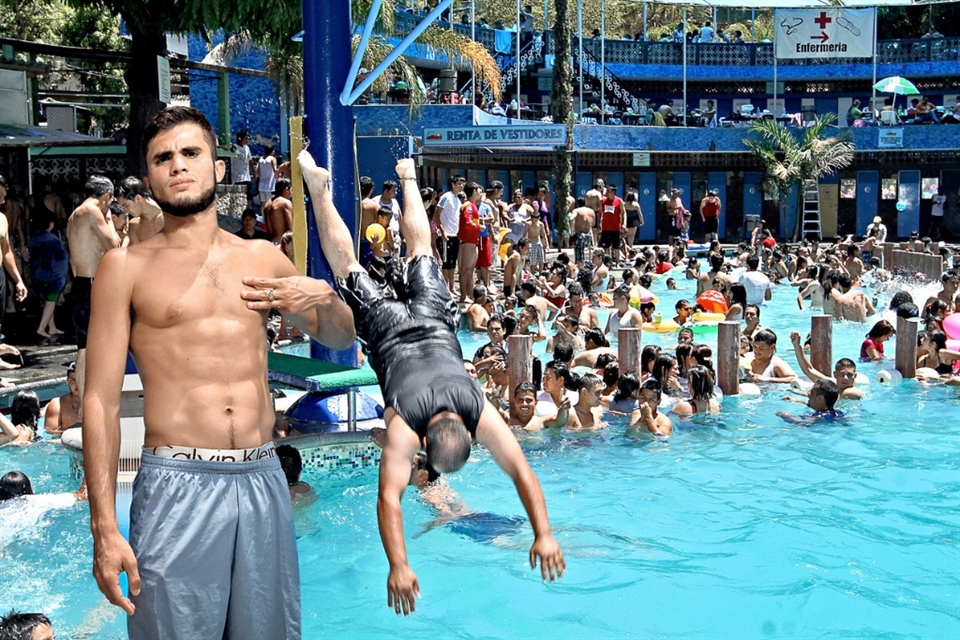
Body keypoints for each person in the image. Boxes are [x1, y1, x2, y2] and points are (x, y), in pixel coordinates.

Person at [84, 107, 356, 638]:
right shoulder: (126, 268)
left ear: (219, 167)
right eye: (163, 158)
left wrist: (323, 294)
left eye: (191, 153)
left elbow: (341, 337)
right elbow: (101, 399)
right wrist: (104, 528)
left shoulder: (263, 259)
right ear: (149, 177)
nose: (178, 166)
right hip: (176, 484)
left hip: (261, 477)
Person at [297, 149, 565, 614]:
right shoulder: (405, 426)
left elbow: (523, 472)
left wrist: (545, 532)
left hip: (435, 321)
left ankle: (407, 175)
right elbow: (389, 499)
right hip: (386, 330)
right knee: (348, 269)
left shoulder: (476, 405)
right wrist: (398, 565)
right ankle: (317, 190)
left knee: (422, 252)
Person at [66, 175, 121, 407]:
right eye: (111, 199)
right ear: (107, 195)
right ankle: (99, 405)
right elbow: (115, 245)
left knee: (83, 350)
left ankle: (83, 412)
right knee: (101, 347)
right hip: (91, 285)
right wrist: (109, 219)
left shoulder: (73, 215)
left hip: (80, 283)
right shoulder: (93, 212)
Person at [28, 206, 68, 339]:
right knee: (51, 303)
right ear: (50, 224)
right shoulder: (53, 239)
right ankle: (41, 327)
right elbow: (61, 258)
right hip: (52, 277)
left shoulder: (33, 238)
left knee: (48, 302)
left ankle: (52, 327)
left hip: (38, 276)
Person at [116, 177, 164, 245]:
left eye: (126, 206)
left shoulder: (171, 217)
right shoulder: (134, 225)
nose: (126, 211)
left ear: (138, 198)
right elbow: (136, 253)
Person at [438, 175, 465, 294]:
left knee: (453, 263)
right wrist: (442, 231)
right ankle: (445, 287)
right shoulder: (446, 197)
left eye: (462, 184)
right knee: (446, 263)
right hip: (446, 235)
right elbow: (436, 215)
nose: (461, 186)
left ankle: (452, 287)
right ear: (453, 184)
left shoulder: (458, 200)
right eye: (459, 183)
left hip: (455, 236)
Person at [777, 379, 844, 424]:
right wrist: (798, 401)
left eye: (811, 392)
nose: (808, 393)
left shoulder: (819, 417)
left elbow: (801, 423)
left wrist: (785, 416)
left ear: (820, 398)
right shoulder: (838, 412)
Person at [44, 362, 80, 434]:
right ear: (67, 381)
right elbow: (50, 433)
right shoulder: (57, 404)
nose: (77, 384)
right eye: (73, 379)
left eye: (81, 379)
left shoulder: (99, 403)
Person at [598, 184, 626, 265]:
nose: (607, 192)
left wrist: (624, 223)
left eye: (609, 191)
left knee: (616, 247)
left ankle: (617, 262)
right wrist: (599, 223)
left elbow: (624, 213)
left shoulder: (619, 201)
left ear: (613, 192)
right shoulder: (602, 201)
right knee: (605, 246)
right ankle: (607, 262)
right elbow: (600, 213)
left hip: (616, 228)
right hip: (606, 227)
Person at [263, 178, 293, 243]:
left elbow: (268, 230)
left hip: (271, 243)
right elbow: (291, 228)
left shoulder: (267, 204)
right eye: (291, 190)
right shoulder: (285, 203)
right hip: (282, 244)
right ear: (286, 189)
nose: (291, 194)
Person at [230, 130, 254, 206]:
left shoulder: (247, 148)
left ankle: (248, 210)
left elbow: (250, 160)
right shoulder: (234, 148)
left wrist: (254, 172)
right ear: (240, 138)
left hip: (246, 176)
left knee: (249, 195)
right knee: (239, 195)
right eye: (246, 138)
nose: (247, 140)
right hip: (237, 177)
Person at [256, 145, 278, 210]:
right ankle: (269, 218)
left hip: (261, 184)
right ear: (271, 151)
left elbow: (256, 171)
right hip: (270, 185)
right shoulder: (272, 159)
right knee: (269, 203)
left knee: (263, 203)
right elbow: (275, 170)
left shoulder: (261, 159)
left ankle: (264, 217)